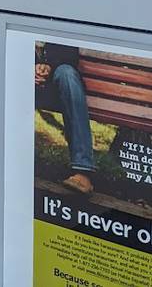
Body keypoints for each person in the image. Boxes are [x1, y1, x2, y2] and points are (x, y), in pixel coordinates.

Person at [35, 43, 96, 194]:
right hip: (19, 74)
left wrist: (49, 67)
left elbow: (69, 55)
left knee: (67, 73)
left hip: (55, 83)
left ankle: (83, 172)